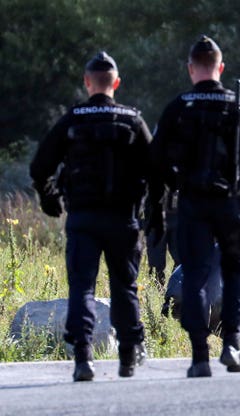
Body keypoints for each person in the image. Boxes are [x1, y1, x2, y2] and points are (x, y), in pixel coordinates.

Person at [150, 35, 240, 376]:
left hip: (192, 203)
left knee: (195, 274)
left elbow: (156, 159)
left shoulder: (179, 106)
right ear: (220, 67)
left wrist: (173, 187)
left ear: (191, 68)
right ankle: (232, 344)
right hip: (231, 203)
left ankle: (199, 355)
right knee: (236, 273)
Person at [30, 51, 150, 381]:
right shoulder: (132, 120)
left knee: (82, 287)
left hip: (83, 218)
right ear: (117, 83)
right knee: (124, 286)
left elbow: (39, 167)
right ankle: (127, 356)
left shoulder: (73, 119)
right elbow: (155, 170)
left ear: (87, 83)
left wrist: (49, 196)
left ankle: (83, 357)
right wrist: (154, 214)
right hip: (123, 219)